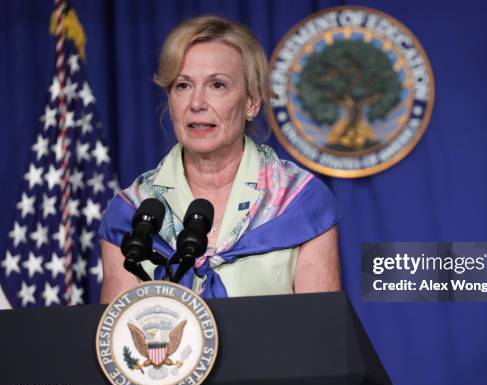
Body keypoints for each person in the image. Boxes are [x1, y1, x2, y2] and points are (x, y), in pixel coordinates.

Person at [98, 16, 341, 303]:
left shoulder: (300, 201)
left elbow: (319, 335)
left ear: (251, 102)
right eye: (183, 86)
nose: (197, 103)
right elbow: (117, 338)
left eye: (217, 85)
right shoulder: (133, 212)